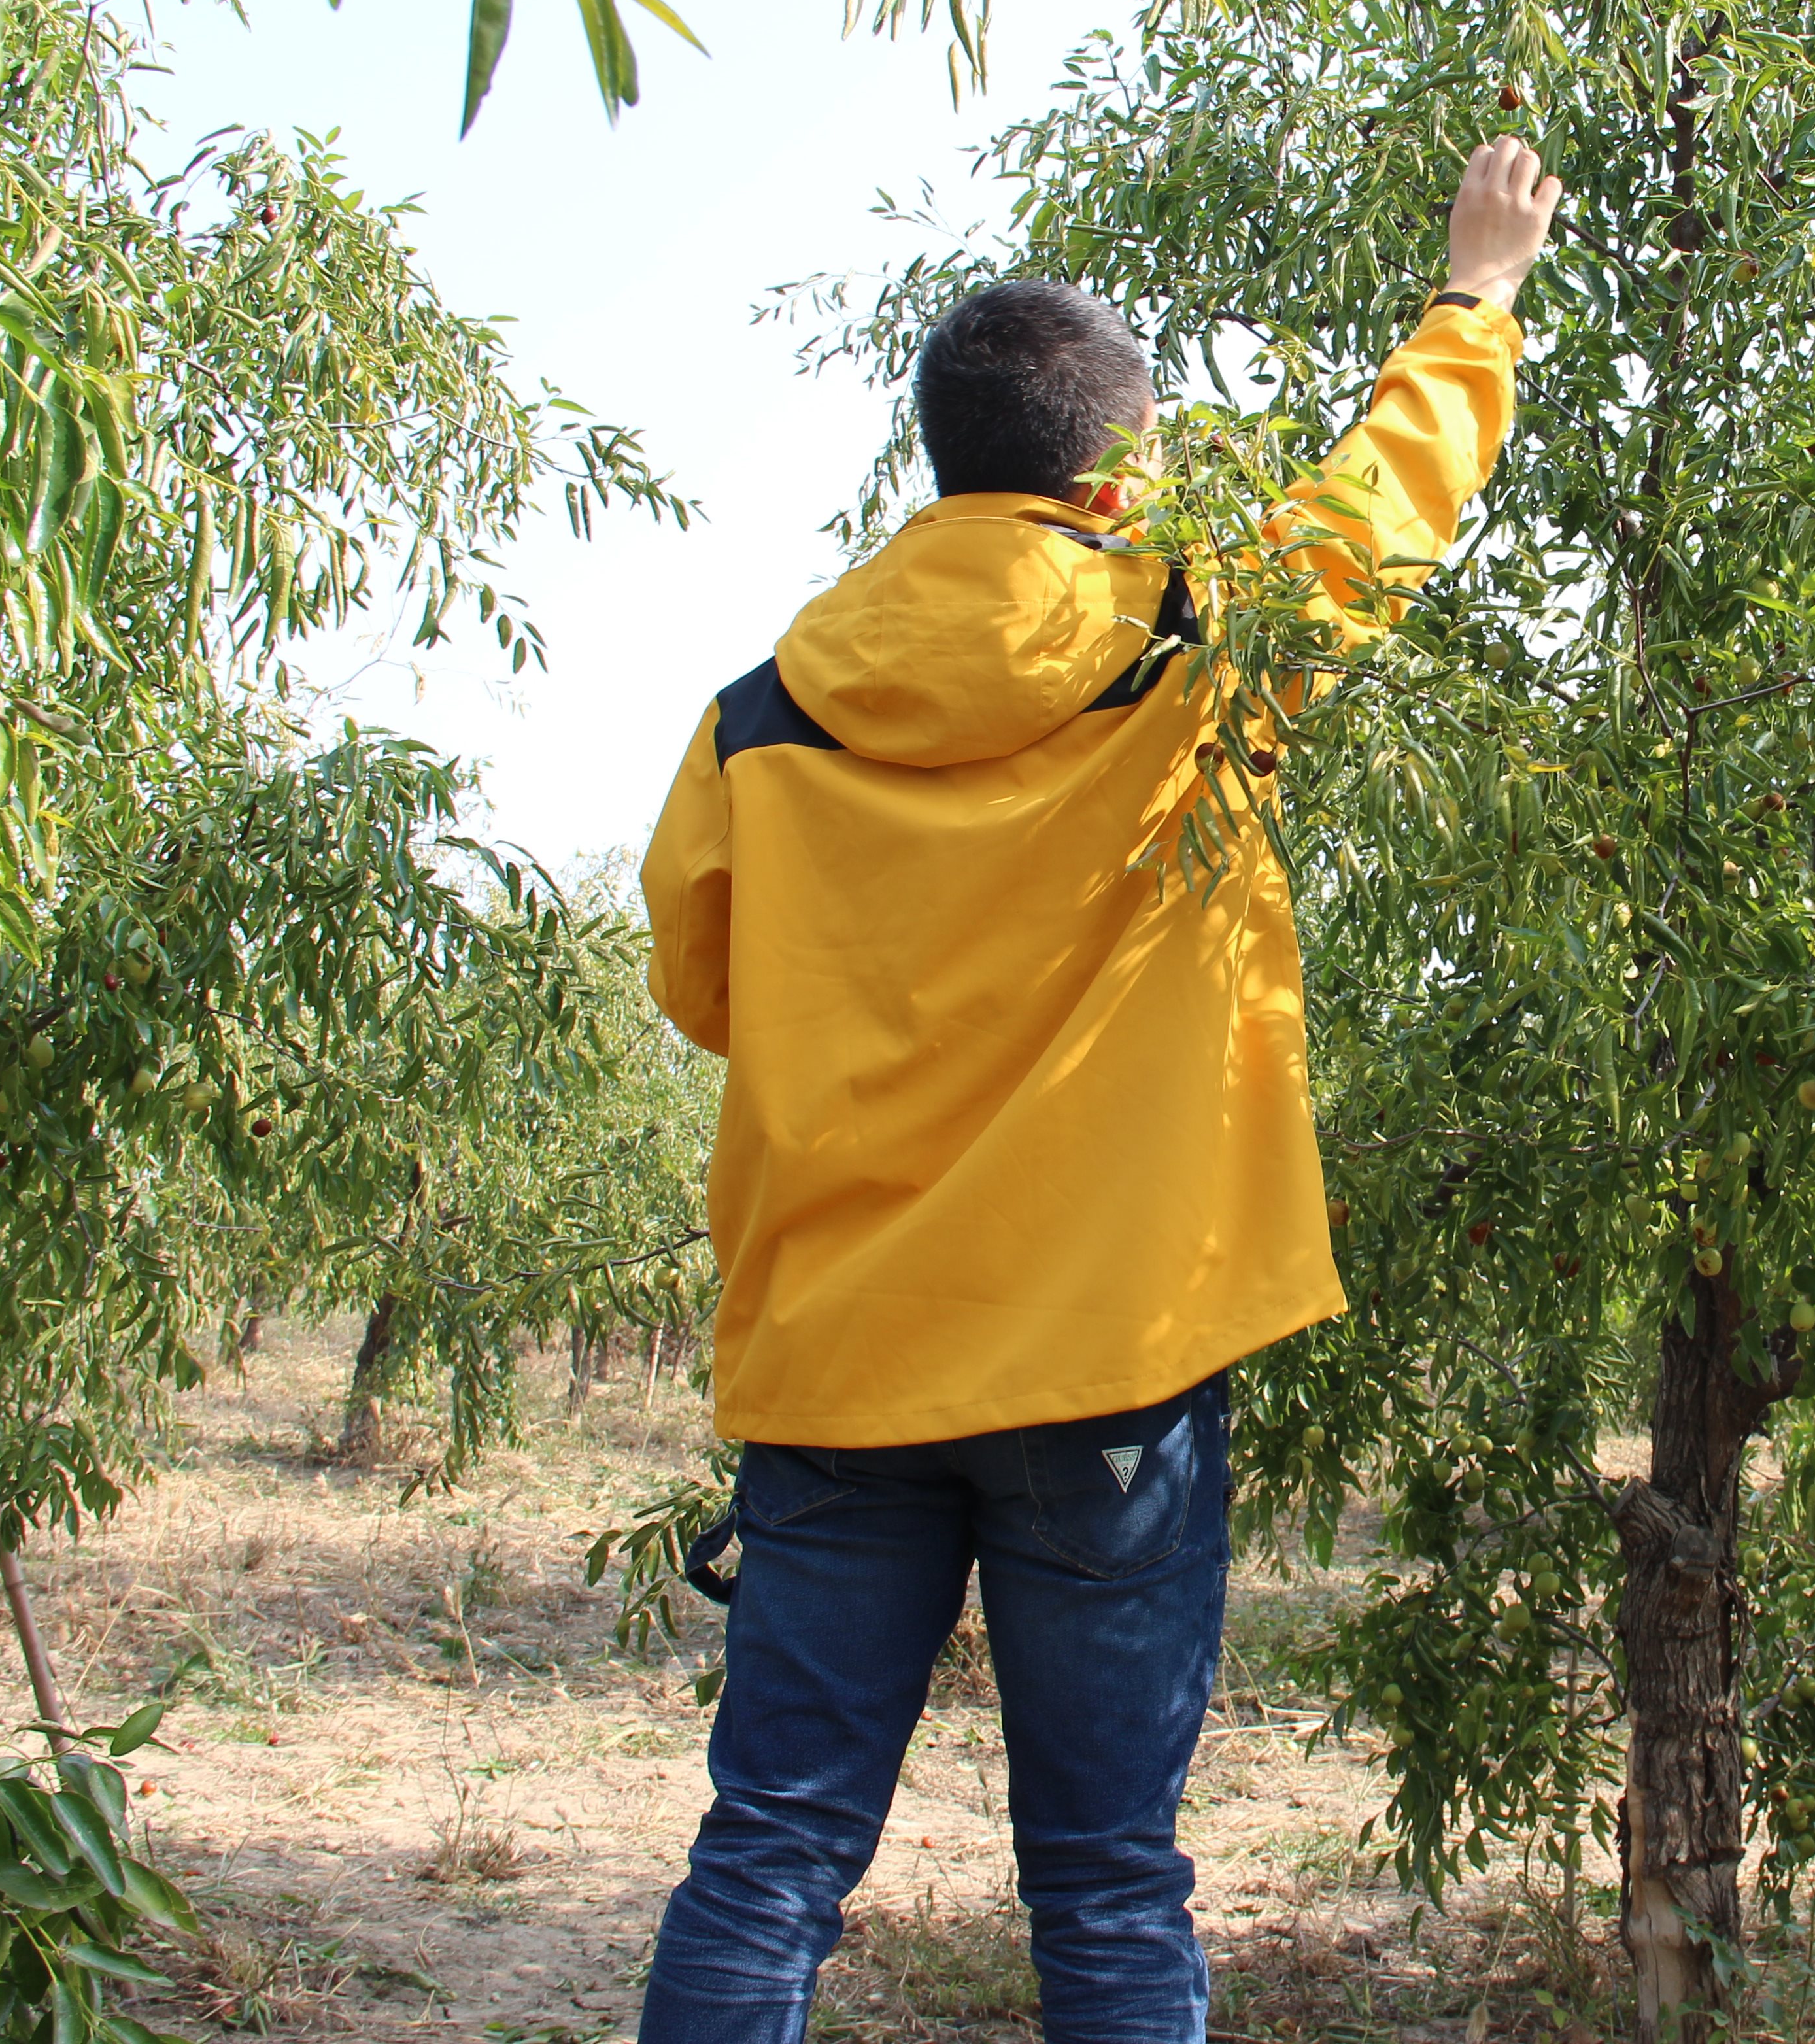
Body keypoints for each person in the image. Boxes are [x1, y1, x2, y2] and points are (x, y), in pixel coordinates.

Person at [630, 135, 1567, 2044]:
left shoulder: (762, 715)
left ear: (942, 464)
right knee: (1111, 1883)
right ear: (1120, 471)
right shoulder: (1200, 644)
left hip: (842, 1362)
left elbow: (701, 987)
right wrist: (1477, 295)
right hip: (1112, 1373)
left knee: (773, 1859)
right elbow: (1387, 507)